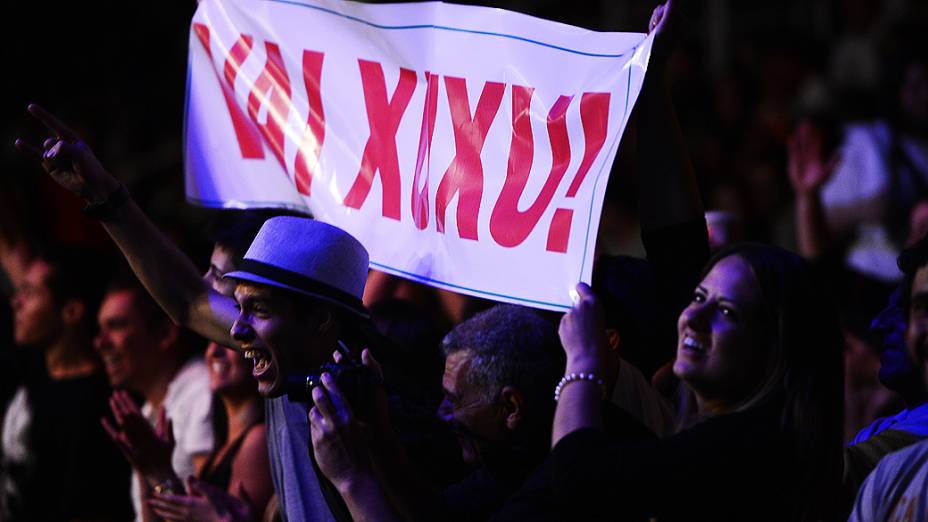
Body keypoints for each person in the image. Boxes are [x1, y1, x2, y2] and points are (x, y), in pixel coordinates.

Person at [16, 104, 369, 522]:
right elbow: (188, 302)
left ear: (320, 321)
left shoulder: (366, 405)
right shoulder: (286, 361)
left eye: (257, 309)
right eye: (238, 307)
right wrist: (101, 195)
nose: (237, 329)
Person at [550, 242, 845, 521]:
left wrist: (583, 358)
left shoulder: (743, 451)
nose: (694, 317)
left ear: (774, 349)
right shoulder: (738, 435)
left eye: (728, 312)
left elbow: (574, 482)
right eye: (699, 297)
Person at [0, 247, 132, 521]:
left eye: (30, 293)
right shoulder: (32, 361)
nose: (17, 302)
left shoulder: (95, 405)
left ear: (71, 311)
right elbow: (12, 246)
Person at [96, 277, 214, 521]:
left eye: (116, 326)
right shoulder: (148, 409)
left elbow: (208, 503)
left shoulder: (199, 390)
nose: (100, 343)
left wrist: (160, 475)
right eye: (101, 330)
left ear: (164, 333)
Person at [146, 342, 274, 522]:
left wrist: (161, 475)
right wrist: (155, 470)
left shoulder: (257, 441)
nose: (214, 351)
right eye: (209, 341)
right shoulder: (223, 442)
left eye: (227, 342)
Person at [849, 237, 928, 521]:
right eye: (918, 308)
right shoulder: (891, 465)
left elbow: (828, 480)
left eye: (899, 312)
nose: (878, 324)